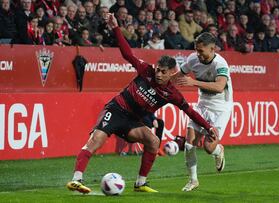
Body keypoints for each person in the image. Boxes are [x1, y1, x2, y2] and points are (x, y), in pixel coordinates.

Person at [66, 13, 218, 194]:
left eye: (162, 72)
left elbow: (190, 113)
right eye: (157, 70)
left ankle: (140, 183)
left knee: (153, 141)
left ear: (171, 73)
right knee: (96, 140)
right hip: (116, 110)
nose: (158, 74)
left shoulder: (172, 94)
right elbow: (127, 53)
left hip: (132, 121)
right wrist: (115, 27)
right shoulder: (146, 70)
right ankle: (76, 180)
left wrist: (208, 127)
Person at [174, 32, 233, 192]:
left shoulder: (220, 64)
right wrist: (160, 81)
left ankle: (218, 150)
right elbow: (179, 76)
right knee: (189, 144)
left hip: (221, 107)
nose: (198, 54)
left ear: (212, 48)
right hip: (202, 105)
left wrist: (193, 82)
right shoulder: (193, 59)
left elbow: (220, 87)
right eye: (196, 49)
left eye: (201, 51)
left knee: (208, 147)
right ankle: (193, 180)